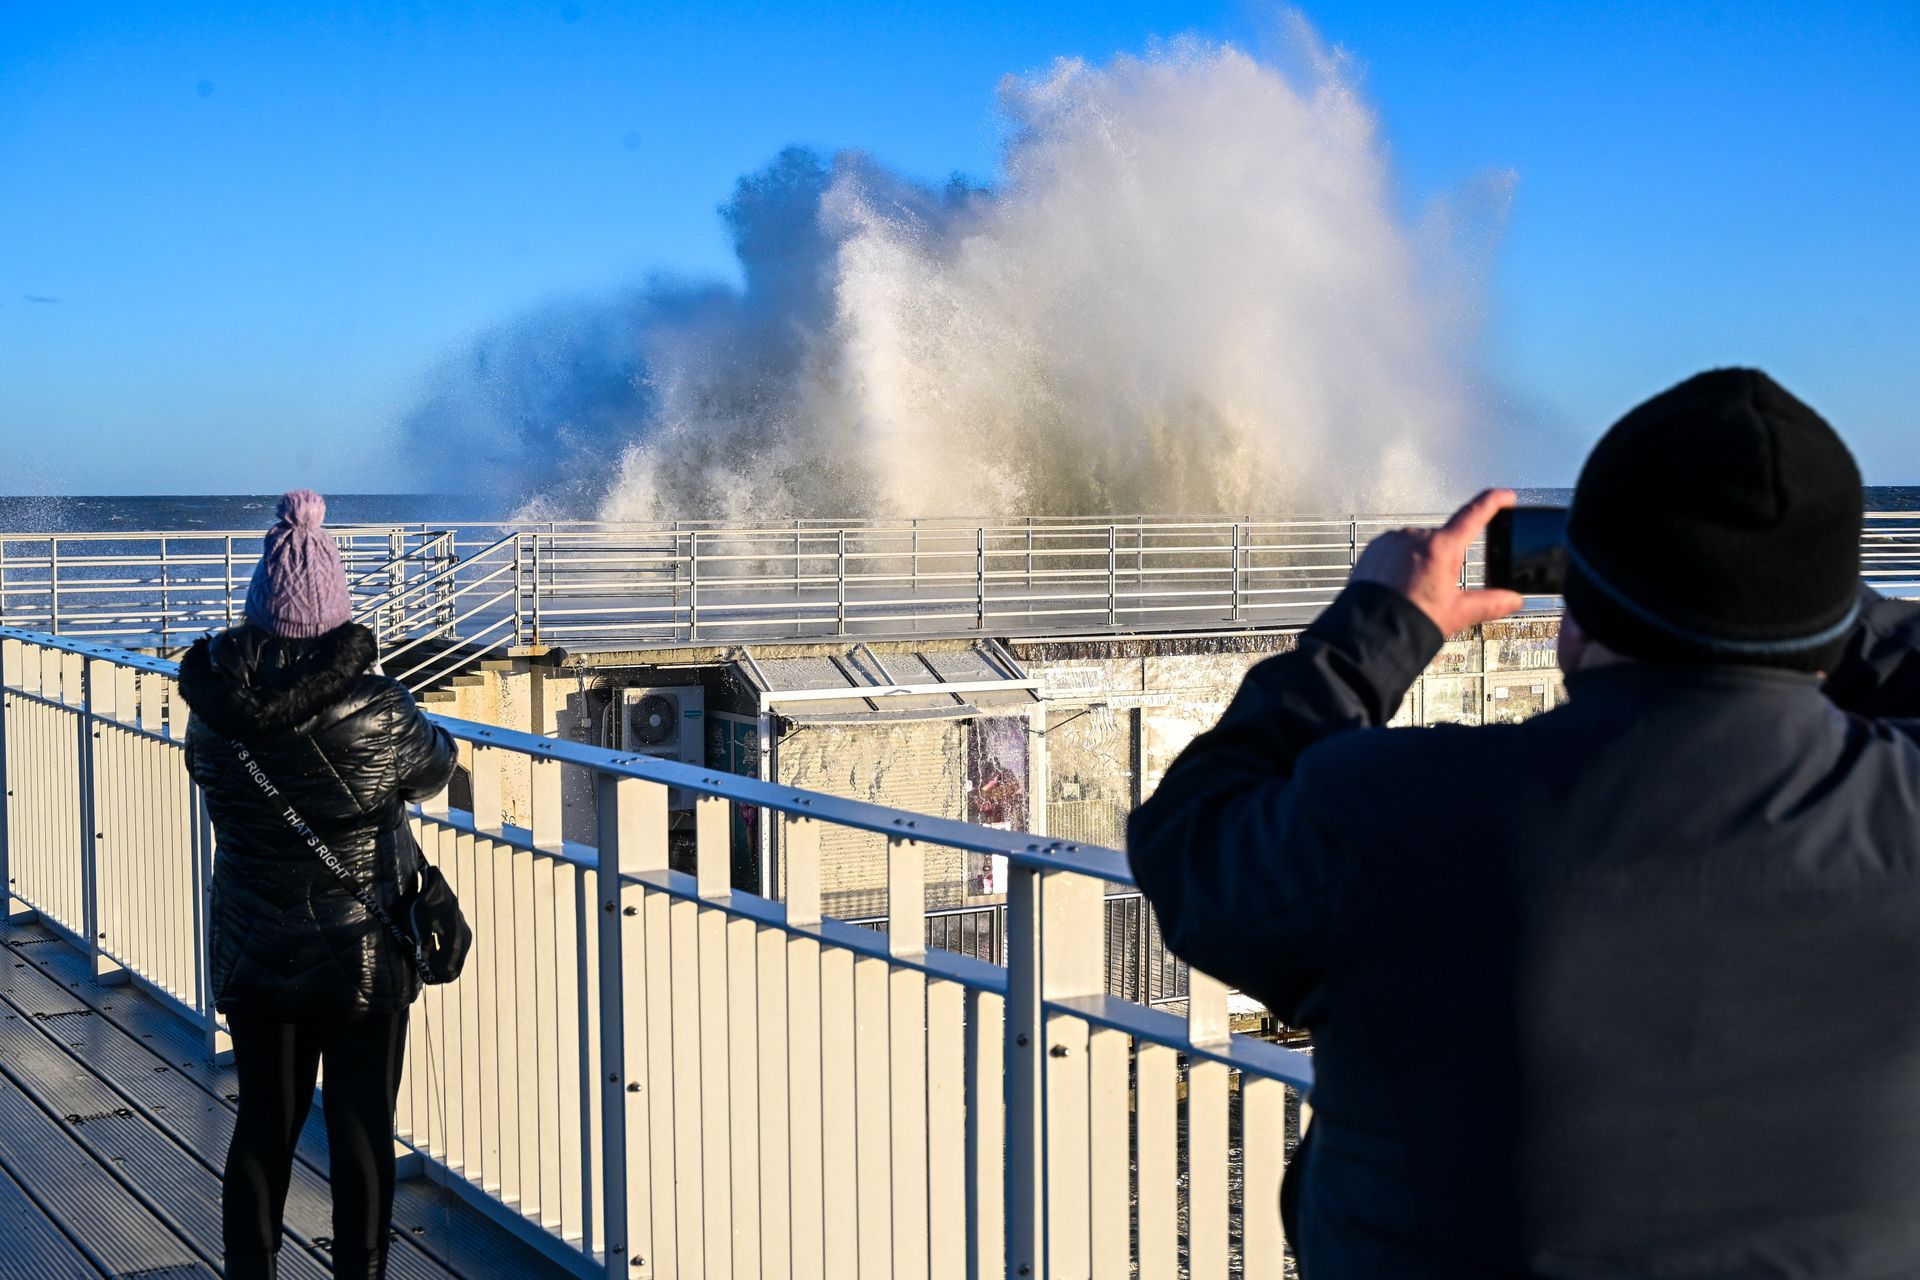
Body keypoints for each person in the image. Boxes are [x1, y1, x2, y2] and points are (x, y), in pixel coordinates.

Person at [1128, 369, 1920, 1278]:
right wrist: (1787, 600)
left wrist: (1376, 627)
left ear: (1576, 602)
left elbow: (1194, 833)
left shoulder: (1399, 812)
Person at [179, 490, 456, 1280]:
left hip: (256, 945)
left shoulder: (212, 712)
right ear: (336, 614)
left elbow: (214, 783)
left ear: (256, 611)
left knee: (264, 1121)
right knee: (362, 1130)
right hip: (360, 952)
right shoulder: (379, 707)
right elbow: (435, 770)